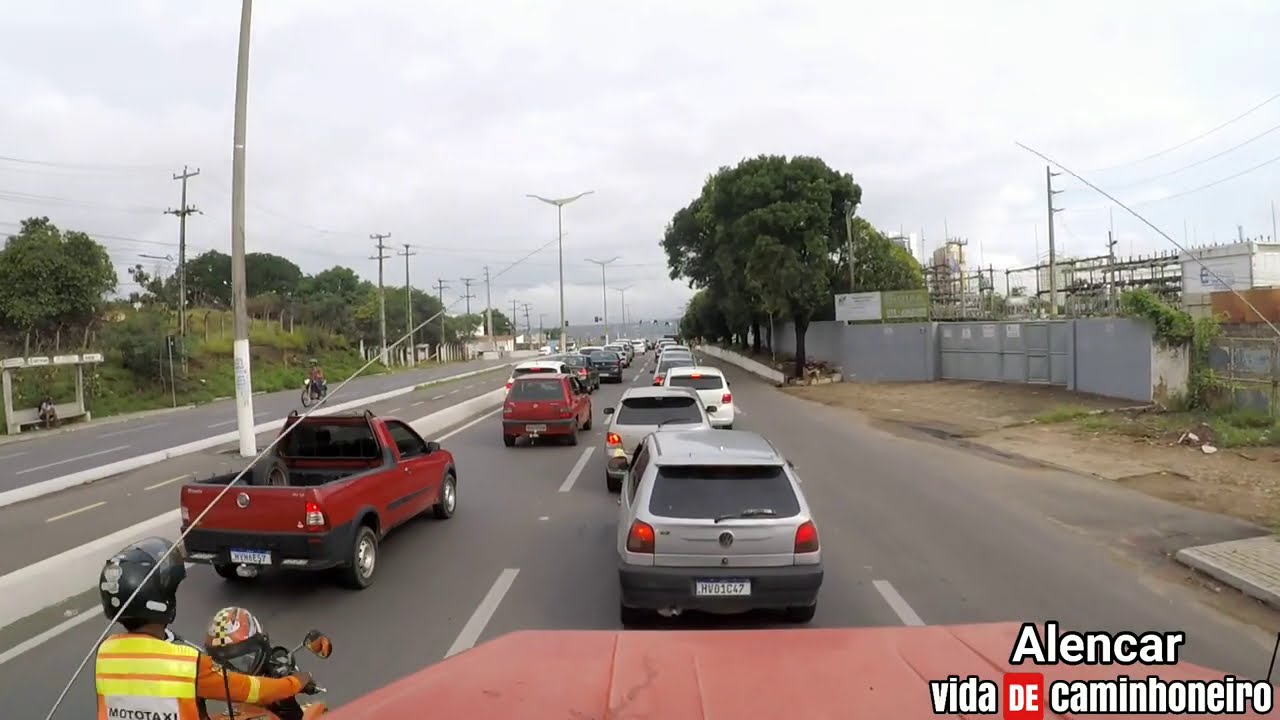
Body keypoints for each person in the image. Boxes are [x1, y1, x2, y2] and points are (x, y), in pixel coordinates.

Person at [95, 537, 312, 720]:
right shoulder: (187, 664)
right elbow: (252, 690)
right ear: (162, 602)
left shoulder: (105, 654)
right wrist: (296, 682)